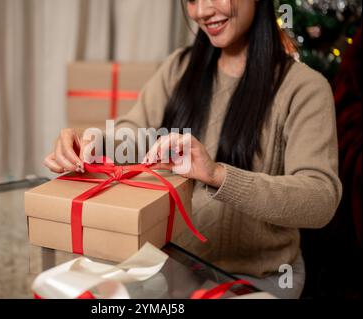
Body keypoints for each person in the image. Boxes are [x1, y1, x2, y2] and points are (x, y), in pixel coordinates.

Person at [44, 0, 342, 299]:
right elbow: (135, 130)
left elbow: (320, 199)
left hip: (257, 279)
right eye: (191, 0)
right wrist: (97, 143)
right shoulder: (179, 66)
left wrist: (217, 174)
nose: (201, 11)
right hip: (175, 264)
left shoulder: (305, 89)